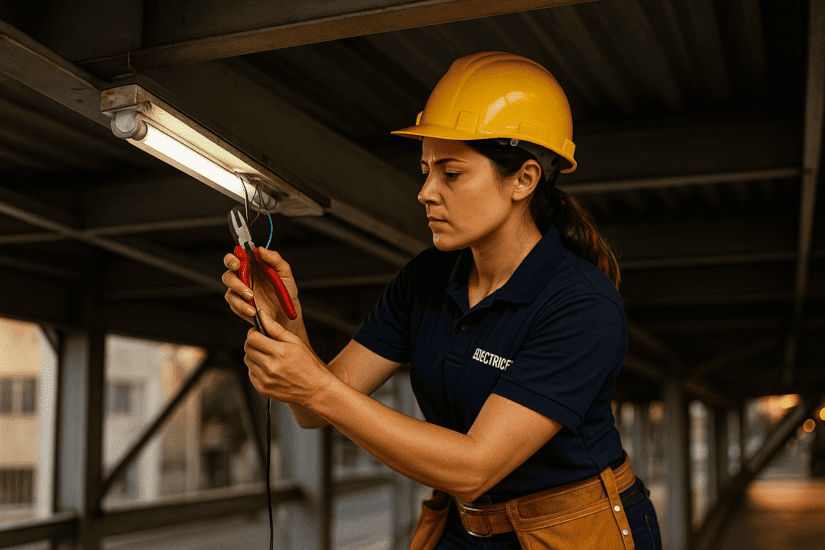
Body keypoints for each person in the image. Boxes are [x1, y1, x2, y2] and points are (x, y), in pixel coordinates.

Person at [223, 51, 662, 549]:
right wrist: (286, 320)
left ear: (524, 179)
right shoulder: (427, 279)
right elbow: (314, 409)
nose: (426, 192)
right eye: (426, 169)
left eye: (451, 174)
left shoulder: (582, 305)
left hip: (574, 534)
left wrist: (315, 388)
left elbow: (475, 467)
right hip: (465, 525)